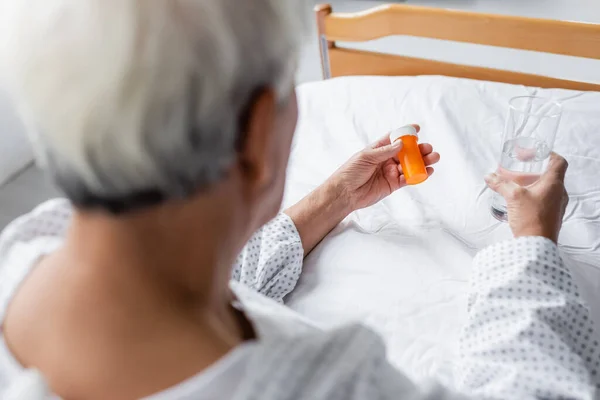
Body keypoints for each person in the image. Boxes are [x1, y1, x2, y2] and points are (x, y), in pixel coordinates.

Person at [0, 0, 597, 399]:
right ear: (259, 133)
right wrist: (530, 247)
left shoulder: (31, 245)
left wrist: (333, 199)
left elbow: (187, 273)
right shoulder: (324, 384)